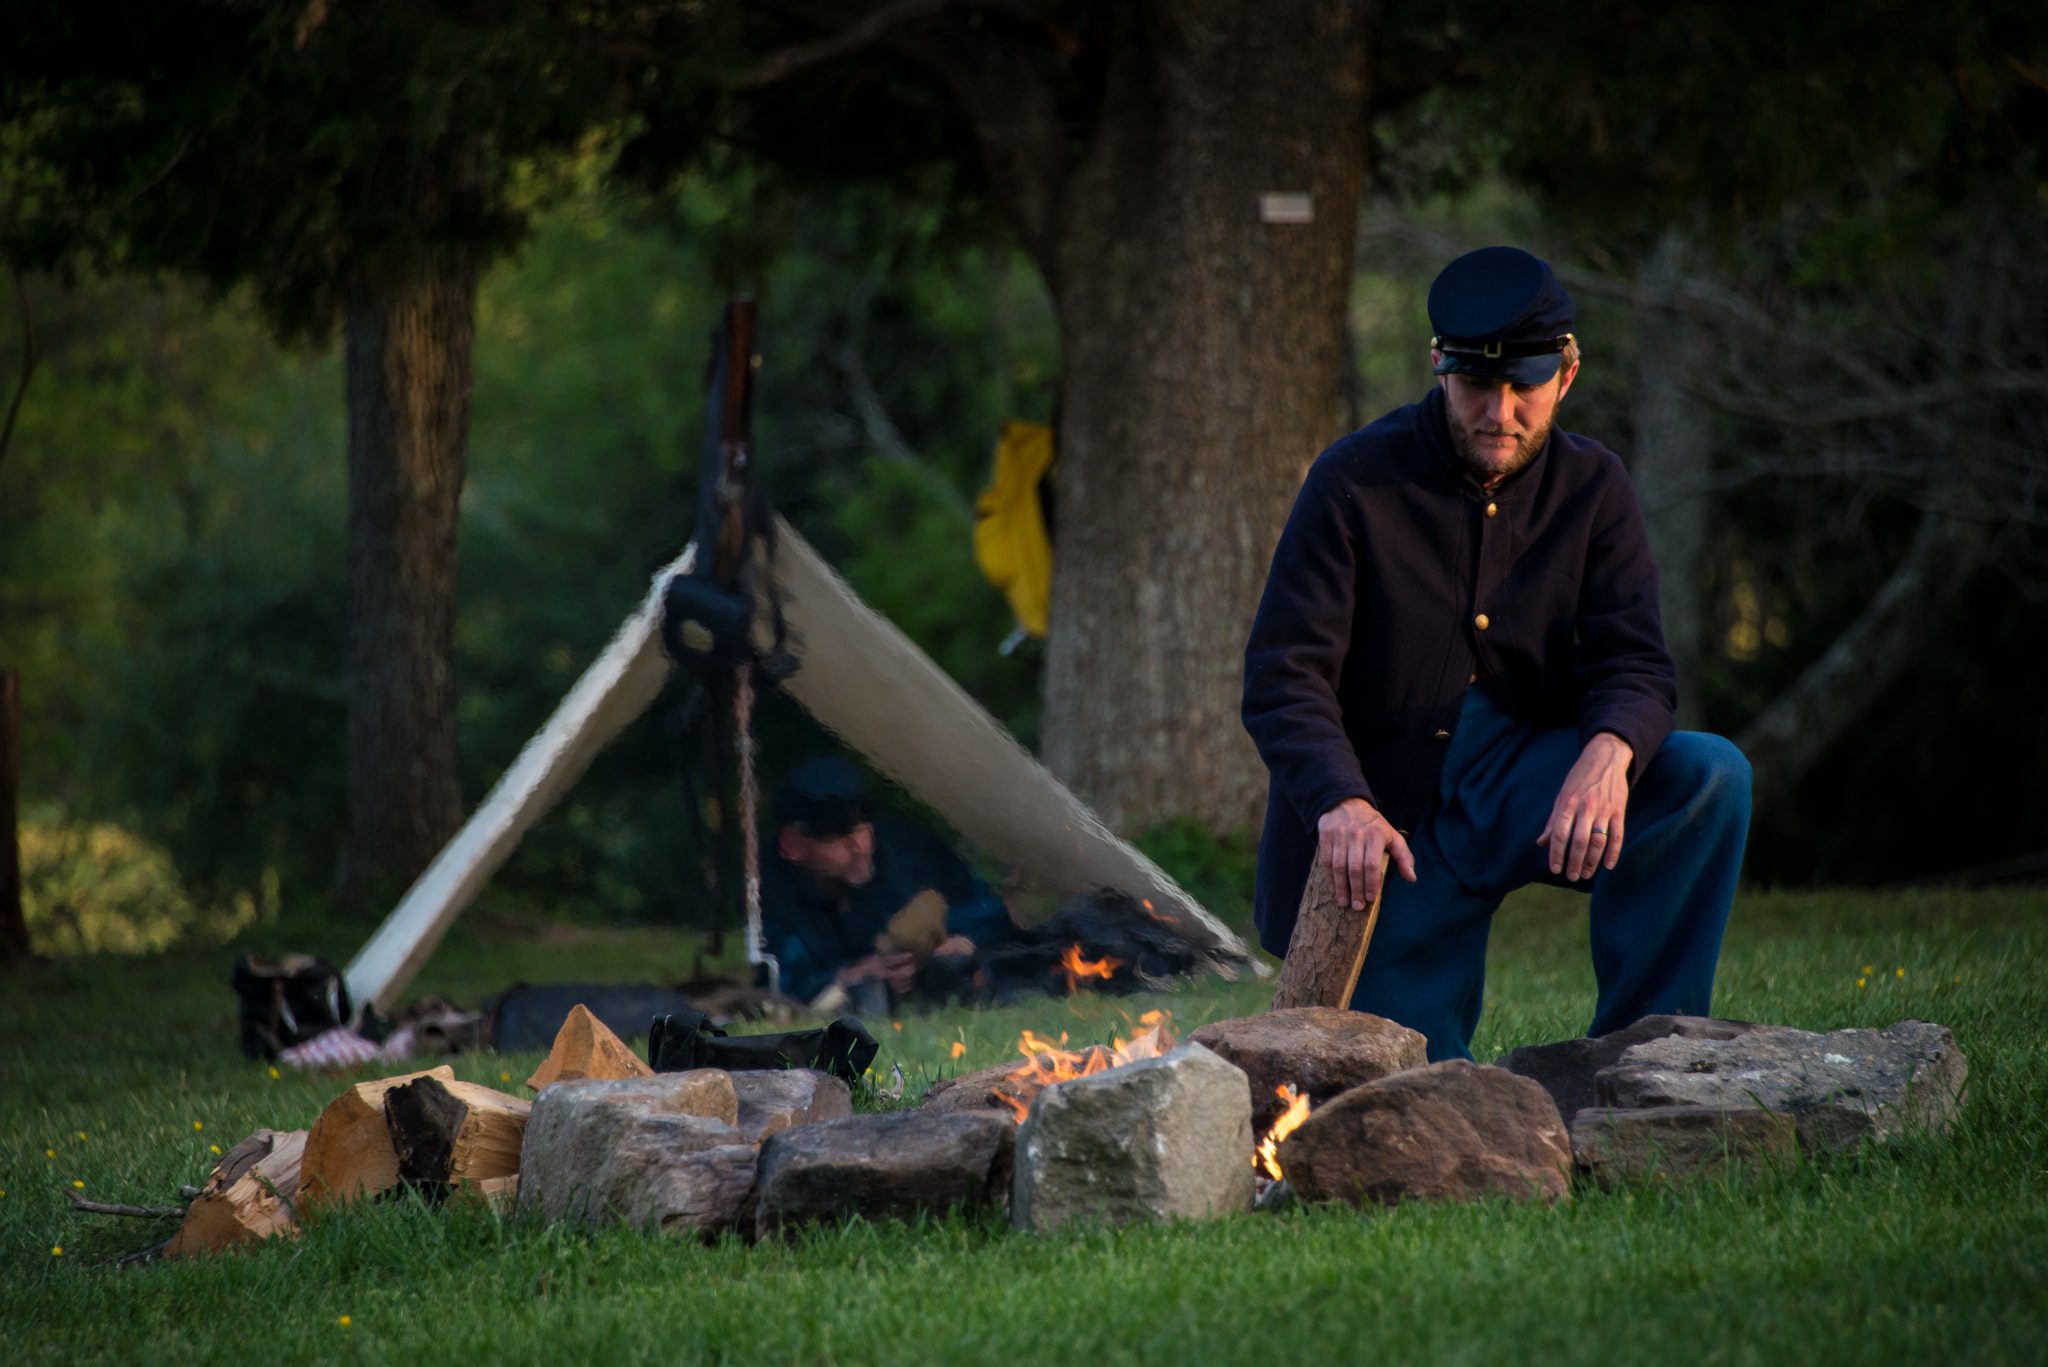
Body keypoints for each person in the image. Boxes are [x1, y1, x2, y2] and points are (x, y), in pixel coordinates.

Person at [1241, 245, 1752, 1062]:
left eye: (1526, 387)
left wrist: (1610, 751)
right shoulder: (1350, 481)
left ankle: (1647, 1056)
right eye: (1480, 386)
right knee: (1405, 1086)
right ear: (1438, 367)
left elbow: (1637, 662)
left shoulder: (1597, 487)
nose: (1501, 412)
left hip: (1524, 787)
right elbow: (1282, 676)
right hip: (1390, 831)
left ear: (1568, 374)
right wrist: (1340, 801)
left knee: (1707, 776)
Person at [758, 755, 1013, 1015]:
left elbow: (993, 915)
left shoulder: (911, 851)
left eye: (863, 827)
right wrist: (852, 976)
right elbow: (773, 985)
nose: (860, 846)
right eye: (837, 836)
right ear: (792, 845)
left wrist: (962, 943)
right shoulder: (765, 890)